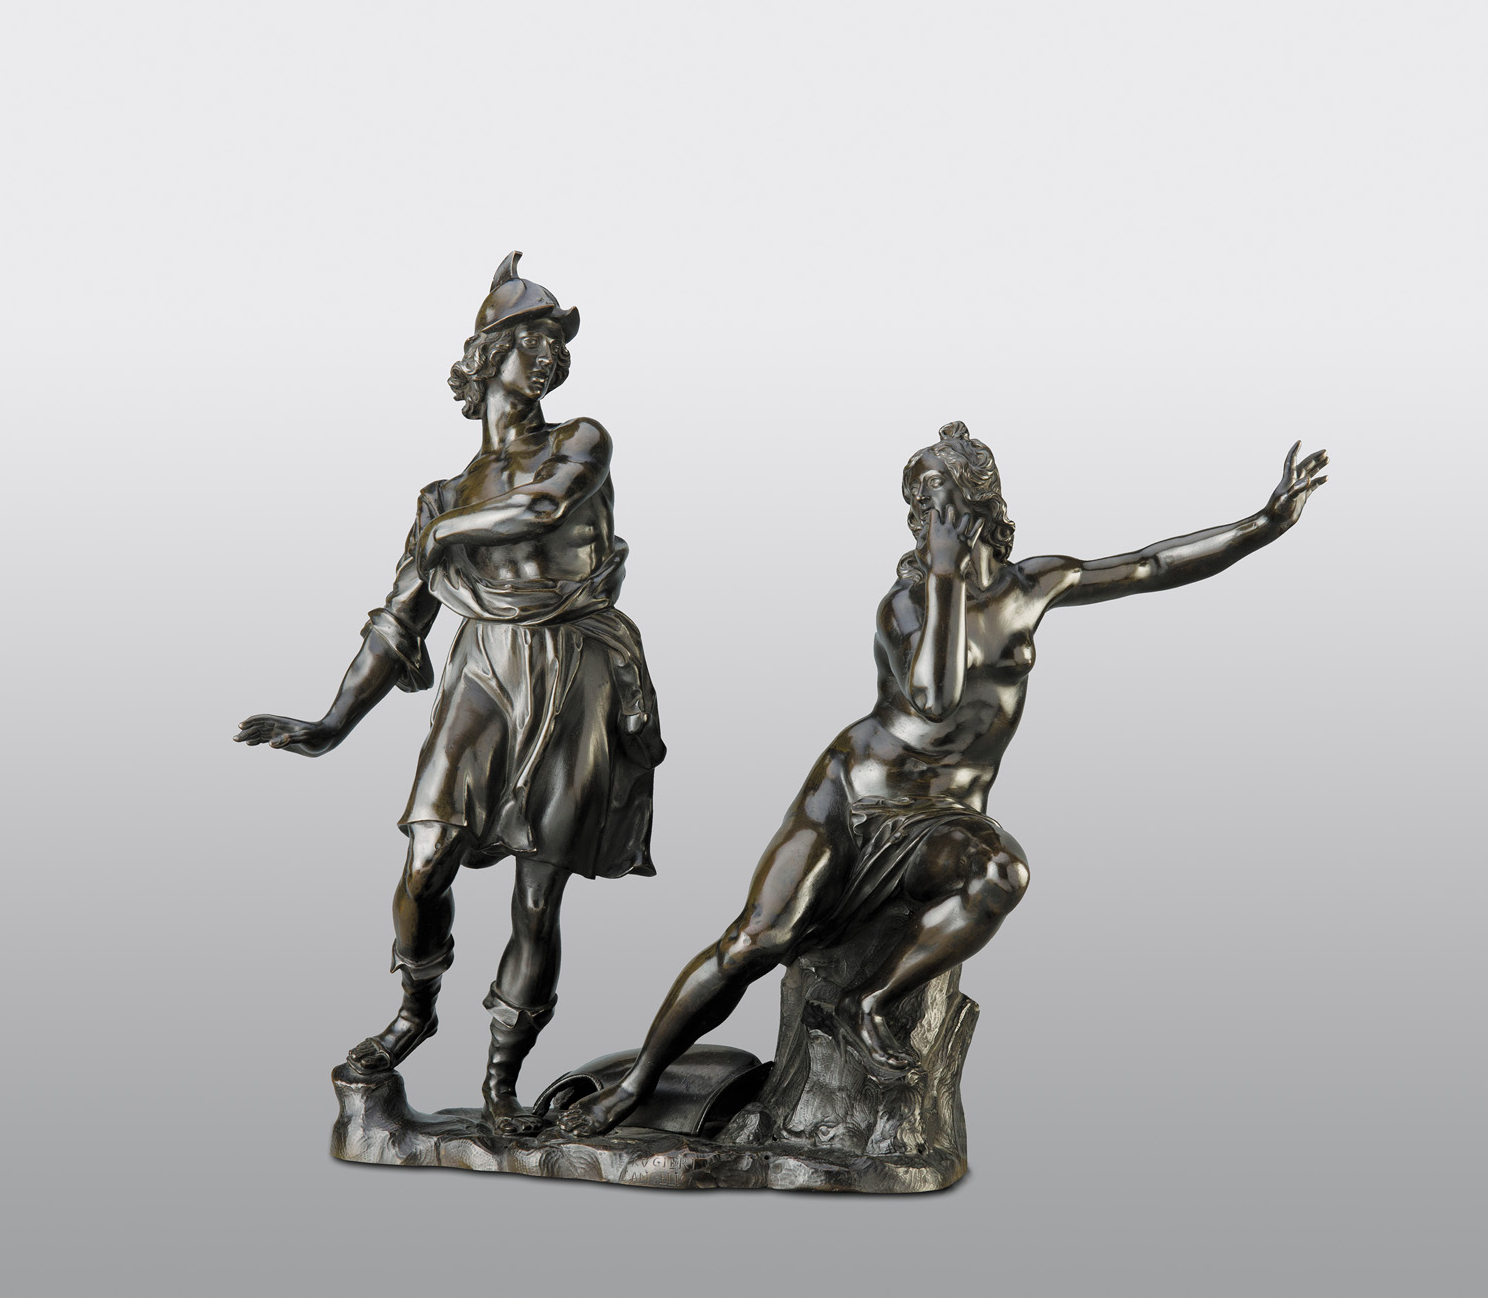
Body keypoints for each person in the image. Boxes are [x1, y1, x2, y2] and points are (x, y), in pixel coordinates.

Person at [561, 422, 1326, 1136]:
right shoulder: (905, 604)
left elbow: (1151, 565)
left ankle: (869, 1001)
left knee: (1002, 874)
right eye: (921, 507)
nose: (927, 519)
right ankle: (638, 1082)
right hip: (851, 797)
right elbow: (934, 695)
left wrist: (1264, 522)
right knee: (756, 940)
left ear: (977, 505)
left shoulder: (1033, 585)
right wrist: (947, 576)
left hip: (946, 816)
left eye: (939, 502)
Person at [236, 252, 664, 1135]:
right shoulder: (441, 495)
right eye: (532, 340)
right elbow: (398, 625)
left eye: (556, 343)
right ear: (487, 355)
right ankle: (414, 1008)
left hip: (570, 668)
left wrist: (441, 537)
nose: (550, 356)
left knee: (538, 896)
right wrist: (331, 723)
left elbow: (543, 509)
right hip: (484, 672)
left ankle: (502, 1079)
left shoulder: (581, 441)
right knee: (427, 856)